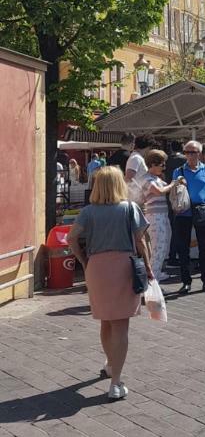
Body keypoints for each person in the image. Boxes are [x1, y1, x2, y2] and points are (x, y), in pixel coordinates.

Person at [66, 167, 152, 400]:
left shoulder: (88, 211)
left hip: (96, 267)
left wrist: (84, 261)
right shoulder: (129, 208)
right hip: (122, 266)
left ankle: (110, 365)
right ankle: (116, 382)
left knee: (105, 320)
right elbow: (141, 241)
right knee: (121, 325)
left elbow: (71, 237)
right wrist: (148, 267)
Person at [172, 140, 205, 294]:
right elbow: (173, 192)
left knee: (204, 248)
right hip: (183, 212)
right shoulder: (178, 171)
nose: (189, 155)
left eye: (192, 152)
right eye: (186, 152)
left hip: (202, 210)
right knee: (183, 249)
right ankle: (186, 282)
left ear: (199, 153)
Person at [139, 150, 186, 283]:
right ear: (153, 164)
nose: (164, 167)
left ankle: (156, 273)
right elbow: (159, 191)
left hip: (161, 215)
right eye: (162, 165)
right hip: (154, 216)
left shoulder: (156, 178)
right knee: (157, 247)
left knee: (162, 246)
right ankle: (153, 279)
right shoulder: (147, 179)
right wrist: (173, 184)